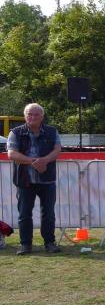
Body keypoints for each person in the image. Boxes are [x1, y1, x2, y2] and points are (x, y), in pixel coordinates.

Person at [7, 103, 62, 255]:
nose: (32, 117)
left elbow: (57, 149)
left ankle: (49, 243)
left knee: (49, 214)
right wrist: (34, 162)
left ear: (42, 116)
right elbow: (12, 154)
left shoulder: (52, 131)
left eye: (36, 114)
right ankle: (25, 245)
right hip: (24, 180)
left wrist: (44, 160)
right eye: (29, 114)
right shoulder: (15, 132)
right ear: (25, 116)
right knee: (24, 214)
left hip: (47, 180)